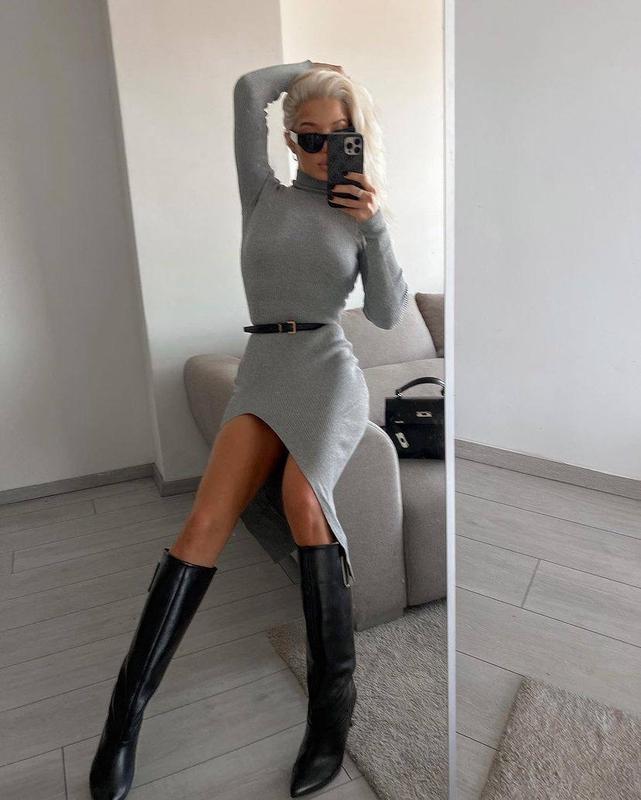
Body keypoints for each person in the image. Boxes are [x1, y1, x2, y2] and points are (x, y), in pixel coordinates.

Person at [89, 59, 408, 800]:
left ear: (357, 138)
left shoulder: (359, 213)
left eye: (339, 135)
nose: (323, 150)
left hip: (327, 369)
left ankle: (330, 714)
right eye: (308, 136)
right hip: (262, 367)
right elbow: (247, 91)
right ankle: (123, 721)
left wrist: (375, 224)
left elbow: (388, 315)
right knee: (204, 522)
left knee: (303, 500)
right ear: (290, 140)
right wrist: (315, 70)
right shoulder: (261, 192)